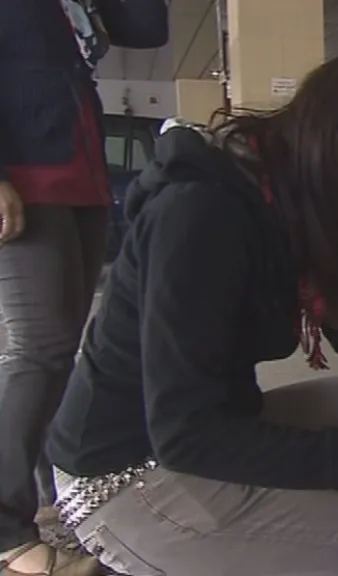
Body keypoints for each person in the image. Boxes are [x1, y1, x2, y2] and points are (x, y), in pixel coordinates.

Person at [41, 54, 338, 576]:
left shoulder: (290, 204)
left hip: (219, 426)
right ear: (330, 149)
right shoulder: (200, 216)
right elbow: (183, 433)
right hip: (129, 473)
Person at [0, 1, 169, 574]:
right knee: (38, 351)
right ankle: (5, 533)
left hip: (81, 177)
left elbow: (147, 29)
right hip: (24, 175)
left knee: (59, 352)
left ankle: (57, 510)